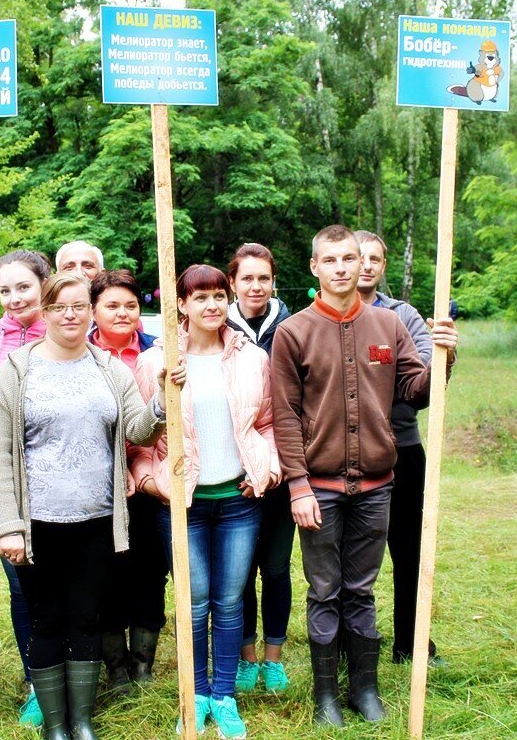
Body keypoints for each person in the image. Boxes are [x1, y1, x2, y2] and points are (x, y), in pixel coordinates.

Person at [270, 225, 458, 728]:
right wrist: (298, 486)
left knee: (361, 589)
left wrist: (444, 357)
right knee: (324, 590)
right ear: (314, 267)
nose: (341, 268)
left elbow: (416, 391)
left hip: (377, 486)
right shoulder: (294, 333)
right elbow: (285, 416)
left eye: (349, 258)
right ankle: (326, 697)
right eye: (330, 260)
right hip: (319, 489)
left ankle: (365, 689)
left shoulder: (388, 325)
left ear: (362, 264)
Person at [0, 271, 168, 740]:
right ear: (45, 311)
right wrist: (7, 525)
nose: (70, 315)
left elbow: (137, 430)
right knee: (46, 619)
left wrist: (163, 401)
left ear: (90, 312)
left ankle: (81, 720)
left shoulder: (109, 368)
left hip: (97, 521)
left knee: (87, 616)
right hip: (36, 522)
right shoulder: (16, 371)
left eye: (79, 306)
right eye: (59, 307)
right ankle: (55, 723)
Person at [133, 264, 280, 739]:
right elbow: (138, 439)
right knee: (194, 602)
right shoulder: (155, 362)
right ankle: (195, 695)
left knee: (230, 600)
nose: (212, 305)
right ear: (181, 304)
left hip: (239, 501)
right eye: (200, 297)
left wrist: (267, 470)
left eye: (219, 295)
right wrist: (151, 483)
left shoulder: (252, 358)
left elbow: (268, 424)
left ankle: (225, 695)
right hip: (184, 506)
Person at [354, 229, 442, 665]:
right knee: (351, 559)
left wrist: (444, 356)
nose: (366, 265)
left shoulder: (403, 315)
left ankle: (412, 641)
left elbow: (419, 377)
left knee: (409, 552)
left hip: (403, 448)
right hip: (350, 452)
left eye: (374, 258)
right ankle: (353, 643)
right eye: (358, 256)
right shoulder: (325, 316)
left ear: (383, 266)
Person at [88, 270, 166, 694]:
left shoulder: (157, 352)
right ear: (93, 310)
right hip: (100, 484)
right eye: (112, 305)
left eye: (130, 305)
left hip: (151, 482)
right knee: (106, 574)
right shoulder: (80, 355)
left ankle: (143, 666)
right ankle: (115, 669)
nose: (122, 313)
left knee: (150, 571)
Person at [0, 249, 51, 727]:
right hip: (3, 473)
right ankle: (35, 682)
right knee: (21, 582)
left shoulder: (63, 328)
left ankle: (70, 673)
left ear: (45, 285)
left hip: (53, 472)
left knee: (59, 581)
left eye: (23, 287)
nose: (14, 298)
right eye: (5, 290)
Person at [224, 243, 295, 695]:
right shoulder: (217, 328)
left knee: (277, 568)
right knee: (241, 572)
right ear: (232, 282)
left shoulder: (292, 327)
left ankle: (274, 659)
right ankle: (246, 658)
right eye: (246, 278)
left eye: (263, 278)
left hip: (280, 470)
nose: (255, 286)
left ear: (273, 282)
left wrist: (276, 467)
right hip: (235, 476)